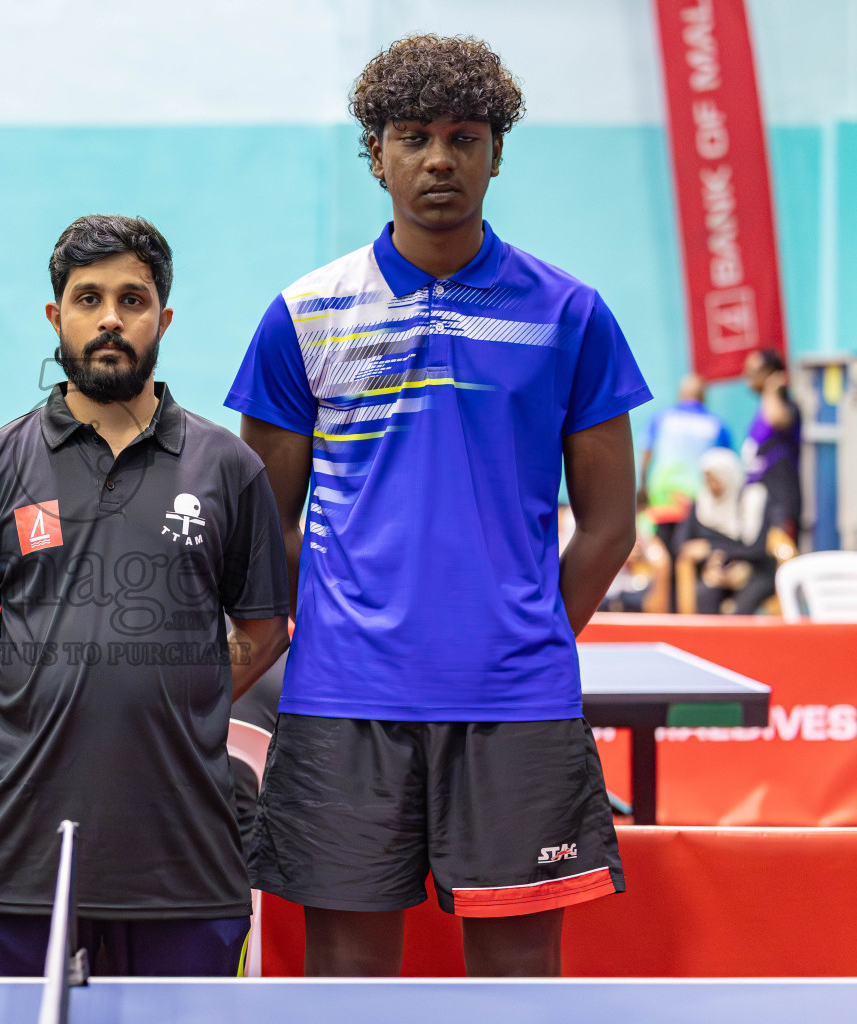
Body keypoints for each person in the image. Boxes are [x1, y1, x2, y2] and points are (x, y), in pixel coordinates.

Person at [227, 34, 650, 977]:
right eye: (413, 136)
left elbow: (611, 521)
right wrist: (347, 619)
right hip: (345, 700)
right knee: (349, 982)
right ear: (375, 153)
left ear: (497, 151)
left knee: (516, 985)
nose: (439, 160)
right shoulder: (307, 313)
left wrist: (529, 627)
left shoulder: (569, 314)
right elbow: (265, 521)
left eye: (464, 136)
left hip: (517, 704)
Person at [0, 215, 292, 977]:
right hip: (15, 860)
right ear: (55, 315)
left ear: (162, 318)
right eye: (87, 297)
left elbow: (263, 631)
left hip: (186, 863)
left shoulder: (229, 470)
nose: (109, 318)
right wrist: (30, 693)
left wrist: (181, 689)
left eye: (132, 299)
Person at [673, 447, 775, 615]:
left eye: (716, 479)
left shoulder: (753, 499)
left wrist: (712, 549)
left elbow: (758, 548)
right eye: (707, 479)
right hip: (715, 572)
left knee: (740, 610)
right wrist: (714, 566)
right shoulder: (702, 503)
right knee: (704, 594)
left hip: (754, 571)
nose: (711, 486)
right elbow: (680, 543)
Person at [638, 373, 731, 552]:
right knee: (687, 556)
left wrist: (643, 486)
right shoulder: (717, 425)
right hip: (698, 504)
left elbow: (646, 454)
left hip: (663, 500)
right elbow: (726, 466)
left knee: (663, 554)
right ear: (703, 396)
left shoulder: (661, 418)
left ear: (681, 393)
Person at [740, 348, 801, 539]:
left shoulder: (786, 407)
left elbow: (777, 419)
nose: (747, 377)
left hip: (780, 502)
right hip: (760, 501)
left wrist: (772, 388)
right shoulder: (761, 412)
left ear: (769, 373)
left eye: (753, 372)